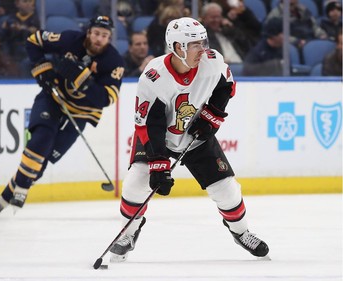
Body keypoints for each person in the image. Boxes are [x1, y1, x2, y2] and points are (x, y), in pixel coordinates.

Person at [108, 17, 269, 262]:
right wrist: (159, 164)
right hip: (158, 138)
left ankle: (241, 232)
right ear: (177, 47)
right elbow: (149, 125)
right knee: (135, 184)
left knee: (227, 191)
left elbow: (226, 85)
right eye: (195, 44)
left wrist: (211, 116)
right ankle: (128, 234)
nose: (202, 49)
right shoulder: (154, 76)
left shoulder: (212, 62)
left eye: (203, 42)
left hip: (196, 137)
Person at [0, 15, 125, 218]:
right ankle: (21, 190)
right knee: (41, 138)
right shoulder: (69, 40)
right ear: (88, 32)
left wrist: (83, 80)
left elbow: (106, 98)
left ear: (109, 37)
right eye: (95, 33)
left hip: (81, 114)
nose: (98, 39)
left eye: (104, 35)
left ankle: (4, 198)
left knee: (41, 162)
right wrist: (42, 69)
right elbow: (34, 40)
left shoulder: (114, 62)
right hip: (54, 97)